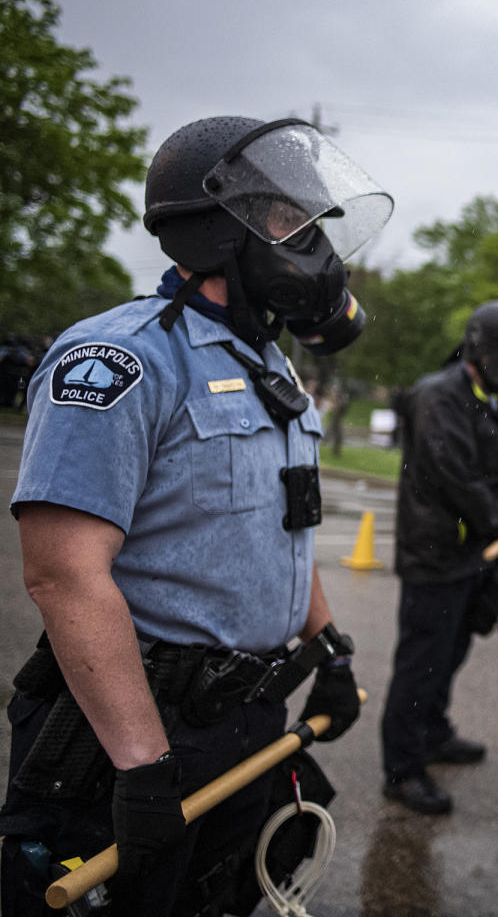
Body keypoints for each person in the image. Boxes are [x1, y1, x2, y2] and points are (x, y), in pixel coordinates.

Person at [0, 115, 382, 915]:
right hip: (130, 730)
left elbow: (283, 528)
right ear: (215, 228)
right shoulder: (120, 358)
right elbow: (64, 576)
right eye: (288, 220)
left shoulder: (267, 363)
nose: (311, 241)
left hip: (245, 721)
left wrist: (327, 646)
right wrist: (141, 767)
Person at [381, 301, 498, 815]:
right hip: (435, 555)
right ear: (482, 352)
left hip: (470, 555)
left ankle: (434, 731)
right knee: (421, 662)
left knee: (450, 654)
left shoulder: (482, 398)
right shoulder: (438, 396)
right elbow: (454, 477)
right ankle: (402, 770)